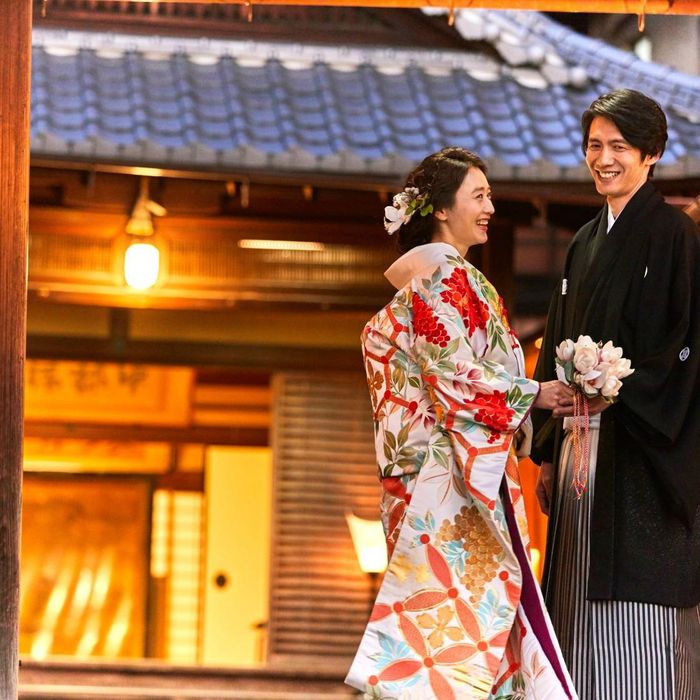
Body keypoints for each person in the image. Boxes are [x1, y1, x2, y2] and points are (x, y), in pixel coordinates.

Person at [345, 147, 578, 699]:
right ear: (442, 210)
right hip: (445, 482)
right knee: (469, 629)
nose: (490, 207)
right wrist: (534, 393)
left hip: (430, 476)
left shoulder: (440, 279)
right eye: (479, 196)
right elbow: (452, 375)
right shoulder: (443, 278)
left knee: (458, 632)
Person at [531, 89, 700, 700]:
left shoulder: (676, 235)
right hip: (579, 447)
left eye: (619, 147)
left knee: (638, 608)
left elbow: (688, 345)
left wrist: (621, 390)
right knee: (574, 593)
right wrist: (547, 453)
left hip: (644, 457)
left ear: (651, 154)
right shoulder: (584, 240)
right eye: (594, 146)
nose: (603, 159)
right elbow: (556, 342)